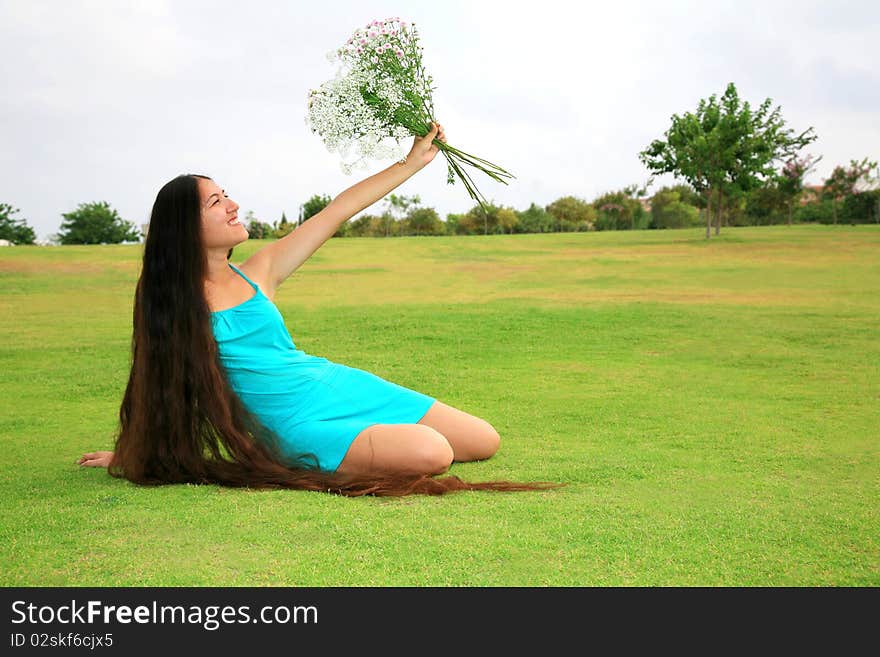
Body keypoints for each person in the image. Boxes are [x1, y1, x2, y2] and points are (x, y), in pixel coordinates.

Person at [77, 122, 561, 497]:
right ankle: (349, 448)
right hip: (292, 425)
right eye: (216, 202)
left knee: (483, 440)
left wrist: (410, 164)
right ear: (185, 225)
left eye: (227, 196)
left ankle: (372, 437)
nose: (233, 206)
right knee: (434, 452)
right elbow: (159, 384)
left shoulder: (258, 269)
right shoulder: (176, 305)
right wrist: (135, 451)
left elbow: (337, 211)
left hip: (336, 385)